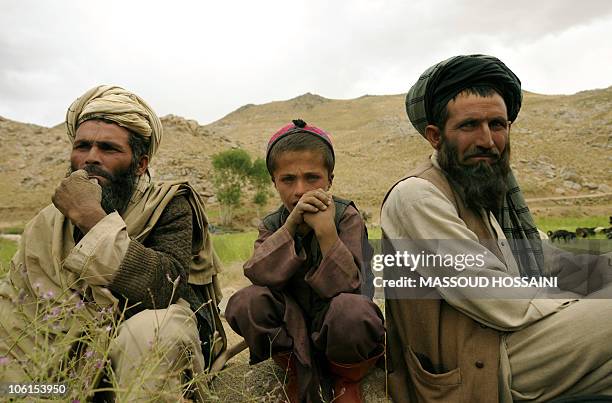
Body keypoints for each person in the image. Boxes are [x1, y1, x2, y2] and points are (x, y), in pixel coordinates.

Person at [381, 55, 612, 402]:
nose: (487, 140)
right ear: (435, 136)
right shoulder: (417, 196)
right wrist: (585, 302)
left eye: (498, 124)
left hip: (511, 343)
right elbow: (496, 297)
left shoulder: (479, 192)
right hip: (475, 363)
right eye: (469, 125)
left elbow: (539, 261)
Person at [0, 85, 225, 401]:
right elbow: (17, 308)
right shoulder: (46, 223)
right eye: (82, 146)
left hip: (136, 358)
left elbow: (165, 286)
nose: (90, 158)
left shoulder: (168, 205)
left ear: (141, 163)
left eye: (108, 148)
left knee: (154, 330)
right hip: (70, 368)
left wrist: (92, 219)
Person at [225, 119, 384, 403]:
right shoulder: (273, 223)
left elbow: (349, 285)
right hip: (291, 325)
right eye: (288, 179)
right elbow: (258, 274)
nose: (300, 190)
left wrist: (325, 232)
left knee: (352, 310)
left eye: (312, 178)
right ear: (274, 182)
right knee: (245, 302)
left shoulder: (346, 216)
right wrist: (290, 229)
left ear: (330, 180)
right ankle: (294, 371)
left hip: (337, 325)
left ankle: (347, 377)